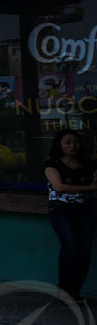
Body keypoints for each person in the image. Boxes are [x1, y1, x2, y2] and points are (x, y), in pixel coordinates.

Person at [43, 129, 97, 302]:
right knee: (71, 247)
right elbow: (59, 186)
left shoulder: (86, 164)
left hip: (84, 210)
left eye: (76, 142)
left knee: (85, 251)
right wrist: (88, 188)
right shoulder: (52, 164)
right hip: (61, 210)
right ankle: (64, 289)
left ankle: (75, 292)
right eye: (68, 142)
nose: (72, 146)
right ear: (59, 144)